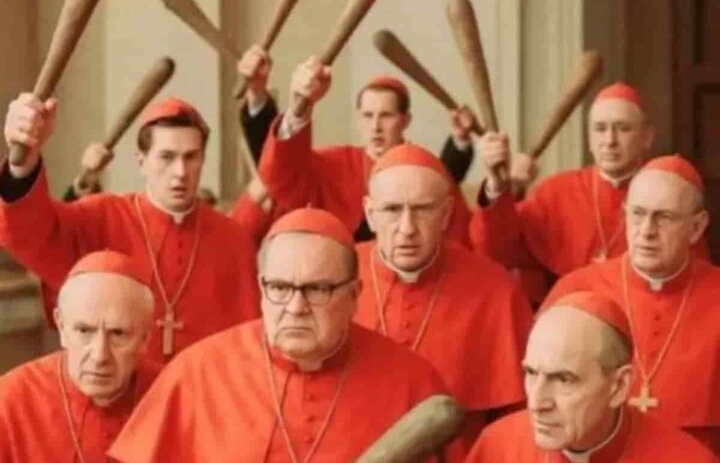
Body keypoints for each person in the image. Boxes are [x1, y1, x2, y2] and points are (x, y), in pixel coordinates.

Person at [108, 208, 460, 463]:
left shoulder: (412, 382)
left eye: (317, 289)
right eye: (279, 287)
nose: (296, 307)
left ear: (354, 295)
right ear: (261, 289)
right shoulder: (196, 372)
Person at [0, 95, 260, 363]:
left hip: (202, 387)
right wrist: (24, 163)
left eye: (191, 157)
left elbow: (247, 346)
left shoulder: (232, 239)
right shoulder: (101, 216)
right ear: (142, 161)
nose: (181, 171)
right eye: (167, 157)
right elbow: (28, 230)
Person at [355, 143, 533, 451]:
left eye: (422, 209)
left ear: (447, 213)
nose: (407, 228)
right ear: (370, 214)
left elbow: (515, 424)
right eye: (392, 210)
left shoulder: (496, 290)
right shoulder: (333, 277)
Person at [544, 155, 720, 454]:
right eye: (638, 214)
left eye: (664, 217)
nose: (647, 230)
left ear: (696, 227)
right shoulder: (575, 289)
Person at [466, 291, 719, 462]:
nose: (536, 403)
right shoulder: (496, 446)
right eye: (531, 373)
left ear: (618, 386)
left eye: (563, 379)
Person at [257, 55, 477, 242]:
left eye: (386, 115)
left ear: (405, 120)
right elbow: (281, 177)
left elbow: (458, 238)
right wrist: (298, 110)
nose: (375, 126)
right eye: (368, 115)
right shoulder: (334, 163)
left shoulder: (425, 170)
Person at [471, 82, 658, 279]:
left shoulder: (665, 193)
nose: (610, 140)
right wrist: (496, 186)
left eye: (623, 129)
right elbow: (497, 250)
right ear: (590, 139)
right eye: (600, 129)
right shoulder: (556, 192)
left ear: (647, 137)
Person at [0, 251, 162, 463]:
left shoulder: (171, 394)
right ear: (61, 326)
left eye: (118, 333)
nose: (99, 356)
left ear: (144, 338)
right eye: (84, 331)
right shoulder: (9, 401)